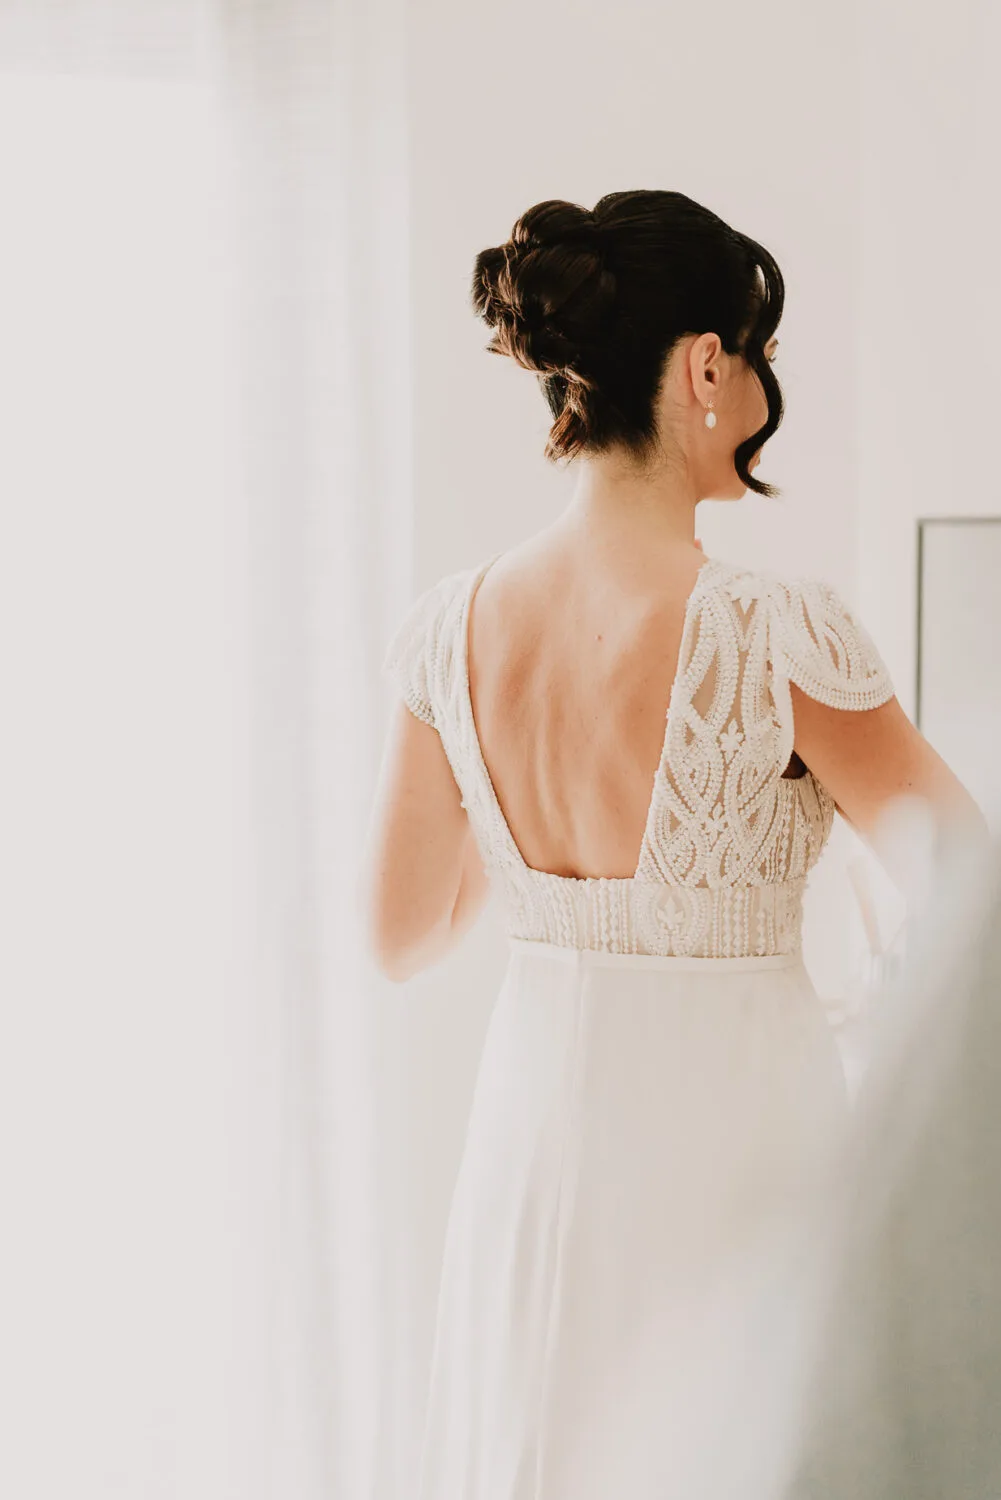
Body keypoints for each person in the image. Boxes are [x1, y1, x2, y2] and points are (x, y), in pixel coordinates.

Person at [362, 191, 984, 1499]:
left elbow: (403, 933)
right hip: (732, 1152)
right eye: (759, 354)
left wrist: (514, 803)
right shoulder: (776, 635)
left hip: (531, 1155)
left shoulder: (447, 632)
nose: (763, 389)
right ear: (707, 366)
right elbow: (971, 897)